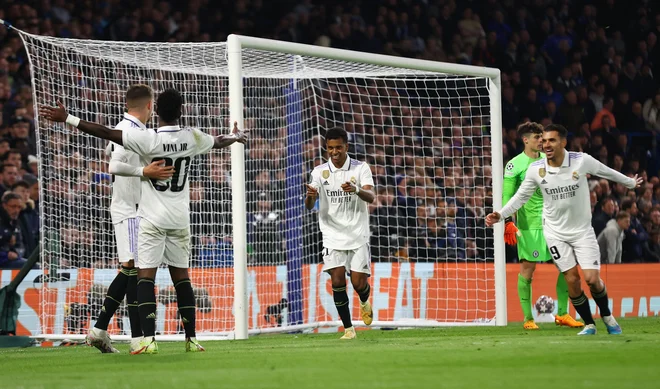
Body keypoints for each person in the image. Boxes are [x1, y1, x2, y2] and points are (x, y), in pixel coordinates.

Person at [41, 88, 248, 353]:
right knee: (181, 278)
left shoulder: (148, 139)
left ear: (156, 111)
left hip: (151, 216)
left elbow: (104, 132)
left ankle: (143, 339)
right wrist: (235, 136)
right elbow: (218, 140)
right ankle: (191, 339)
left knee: (143, 276)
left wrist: (68, 117)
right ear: (180, 111)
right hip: (180, 218)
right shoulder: (192, 136)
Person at [486, 124, 642, 335]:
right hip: (554, 233)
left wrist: (630, 183)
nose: (546, 144)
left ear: (563, 142)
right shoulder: (535, 169)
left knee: (592, 279)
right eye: (544, 140)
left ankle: (607, 316)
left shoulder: (581, 161)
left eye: (551, 140)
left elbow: (606, 171)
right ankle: (589, 324)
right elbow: (520, 196)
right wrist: (502, 215)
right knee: (571, 279)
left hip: (582, 232)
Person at [85, 84, 175, 354]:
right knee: (135, 270)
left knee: (132, 271)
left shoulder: (131, 128)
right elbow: (113, 167)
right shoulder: (128, 131)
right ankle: (127, 336)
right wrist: (144, 171)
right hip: (130, 211)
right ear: (149, 106)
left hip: (134, 209)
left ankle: (102, 331)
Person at [502, 122, 582, 329]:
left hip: (555, 223)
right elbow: (507, 196)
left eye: (543, 138)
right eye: (538, 138)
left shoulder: (549, 162)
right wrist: (508, 220)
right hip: (530, 227)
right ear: (525, 140)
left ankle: (563, 314)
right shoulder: (514, 165)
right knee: (528, 269)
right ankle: (528, 319)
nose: (542, 141)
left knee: (568, 267)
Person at [305, 127, 375, 340]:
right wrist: (311, 196)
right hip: (331, 234)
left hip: (357, 234)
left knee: (358, 284)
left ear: (347, 147)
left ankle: (364, 300)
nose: (334, 152)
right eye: (330, 149)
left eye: (338, 148)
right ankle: (348, 329)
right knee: (337, 281)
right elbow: (309, 205)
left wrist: (355, 189)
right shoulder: (319, 172)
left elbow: (371, 196)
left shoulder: (360, 168)